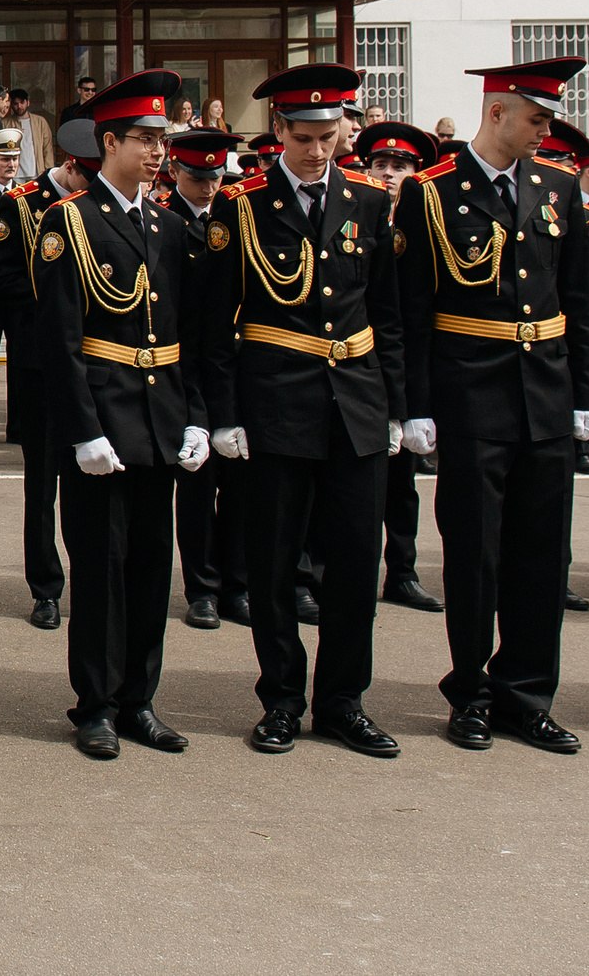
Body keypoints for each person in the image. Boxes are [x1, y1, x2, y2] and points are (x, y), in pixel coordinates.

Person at [191, 67, 404, 759]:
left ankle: (344, 700)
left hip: (357, 406)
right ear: (278, 131)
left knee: (352, 563)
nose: (318, 150)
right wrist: (223, 415)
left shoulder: (369, 200)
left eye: (329, 135)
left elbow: (388, 315)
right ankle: (282, 698)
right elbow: (214, 324)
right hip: (277, 403)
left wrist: (398, 409)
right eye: (304, 137)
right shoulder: (242, 206)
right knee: (275, 564)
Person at [396, 58, 589, 754]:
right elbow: (414, 308)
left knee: (541, 555)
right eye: (537, 119)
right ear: (497, 113)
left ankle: (527, 694)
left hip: (544, 392)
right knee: (475, 554)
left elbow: (580, 300)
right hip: (470, 392)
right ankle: (472, 691)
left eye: (548, 120)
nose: (546, 132)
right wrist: (417, 403)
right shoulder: (432, 191)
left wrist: (587, 392)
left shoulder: (560, 187)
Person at [38, 69, 212, 760]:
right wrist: (82, 429)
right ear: (107, 142)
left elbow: (189, 336)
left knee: (148, 566)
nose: (156, 151)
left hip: (159, 414)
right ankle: (97, 703)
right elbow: (59, 339)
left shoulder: (169, 227)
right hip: (103, 419)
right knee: (101, 568)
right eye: (142, 138)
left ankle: (140, 698)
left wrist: (195, 414)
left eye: (160, 138)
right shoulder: (70, 222)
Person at [0, 117, 94, 630]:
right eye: (88, 177)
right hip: (39, 357)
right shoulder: (17, 206)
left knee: (93, 474)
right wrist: (60, 301)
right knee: (42, 482)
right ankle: (45, 587)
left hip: (93, 361)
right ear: (69, 168)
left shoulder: (97, 205)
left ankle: (92, 578)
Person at [157, 128, 248, 631]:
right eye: (197, 176)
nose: (208, 185)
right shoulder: (164, 223)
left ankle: (237, 583)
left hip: (234, 362)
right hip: (187, 362)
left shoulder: (237, 214)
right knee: (196, 484)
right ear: (176, 173)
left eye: (215, 175)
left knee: (240, 485)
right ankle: (202, 589)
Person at [356, 122, 447, 615]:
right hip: (357, 363)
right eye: (381, 166)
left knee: (403, 482)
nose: (389, 174)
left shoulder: (424, 220)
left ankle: (404, 571)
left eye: (401, 167)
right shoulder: (353, 211)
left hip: (408, 362)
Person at [11, 90, 56, 180]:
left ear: (28, 103)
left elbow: (48, 148)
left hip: (37, 171)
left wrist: (49, 171)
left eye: (22, 102)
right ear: (11, 105)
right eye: (16, 104)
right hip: (15, 173)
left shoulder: (40, 121)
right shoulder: (6, 123)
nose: (19, 106)